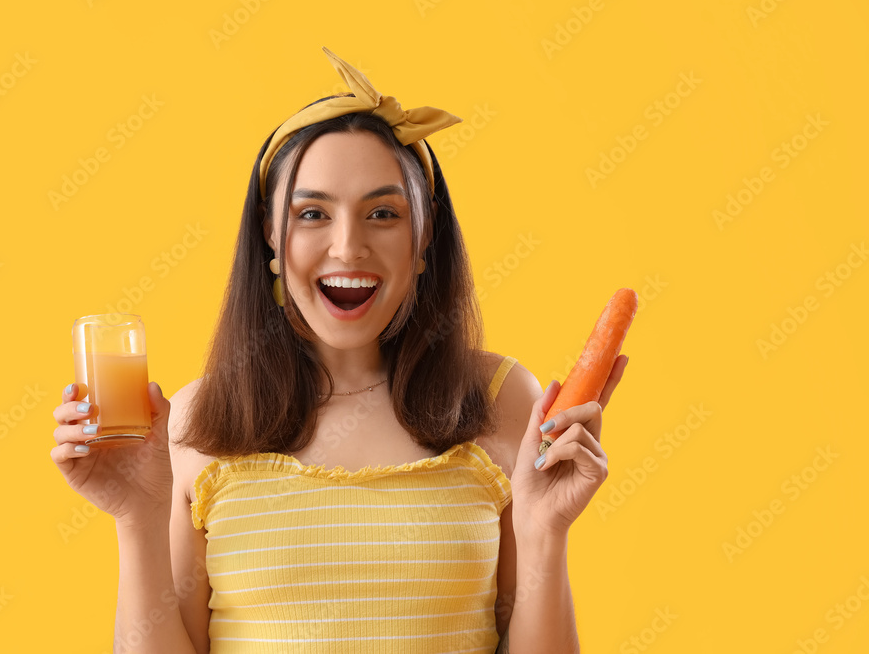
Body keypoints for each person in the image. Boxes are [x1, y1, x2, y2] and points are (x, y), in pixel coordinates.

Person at [51, 47, 627, 654]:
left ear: (423, 237)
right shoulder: (199, 420)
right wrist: (137, 519)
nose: (347, 247)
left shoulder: (500, 400)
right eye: (312, 214)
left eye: (382, 213)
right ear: (271, 236)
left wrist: (545, 533)